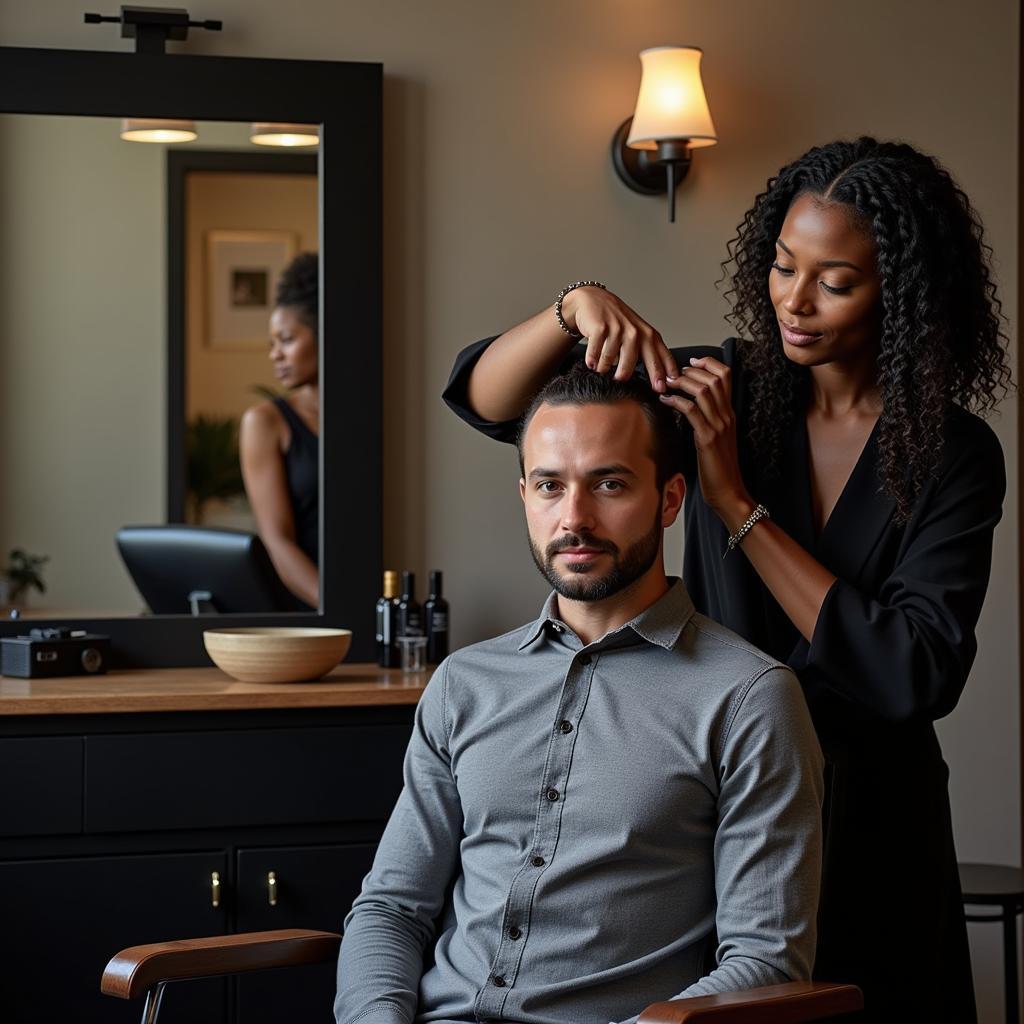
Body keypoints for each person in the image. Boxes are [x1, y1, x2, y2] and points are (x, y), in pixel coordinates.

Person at [443, 137, 1011, 1022]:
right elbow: (491, 401)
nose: (795, 299)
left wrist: (735, 501)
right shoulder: (719, 387)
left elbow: (912, 671)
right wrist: (574, 307)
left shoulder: (953, 452)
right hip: (718, 813)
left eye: (836, 280)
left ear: (900, 293)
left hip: (874, 829)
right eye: (784, 266)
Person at [336, 363, 823, 1024]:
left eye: (610, 484)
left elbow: (765, 962)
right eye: (550, 486)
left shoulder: (749, 698)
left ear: (670, 499)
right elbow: (391, 909)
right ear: (525, 497)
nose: (575, 518)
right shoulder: (462, 684)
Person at [240, 251, 319, 608]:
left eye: (286, 340)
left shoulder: (369, 420)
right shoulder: (264, 423)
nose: (275, 354)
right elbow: (277, 542)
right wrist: (340, 607)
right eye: (273, 343)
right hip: (306, 612)